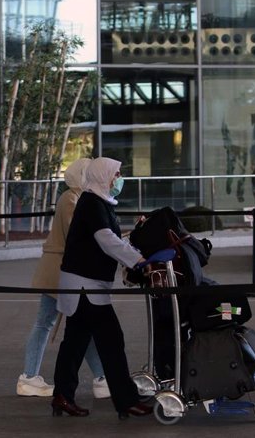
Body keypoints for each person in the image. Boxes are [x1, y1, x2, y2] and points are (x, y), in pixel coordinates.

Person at [51, 157, 153, 420]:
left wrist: (134, 240)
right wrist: (138, 261)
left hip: (84, 284)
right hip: (85, 286)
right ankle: (126, 401)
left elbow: (110, 239)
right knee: (111, 341)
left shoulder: (97, 202)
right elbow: (106, 239)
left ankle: (62, 396)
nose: (118, 179)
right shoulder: (92, 203)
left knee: (74, 344)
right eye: (115, 174)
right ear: (102, 176)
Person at [16, 158, 110, 399]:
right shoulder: (72, 199)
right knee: (69, 323)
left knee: (58, 323)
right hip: (60, 271)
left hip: (59, 270)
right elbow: (77, 236)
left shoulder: (75, 197)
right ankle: (100, 378)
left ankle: (30, 377)